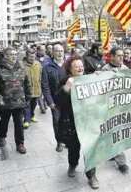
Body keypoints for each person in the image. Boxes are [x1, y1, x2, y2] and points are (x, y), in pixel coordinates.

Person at [55, 55, 99, 189]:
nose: (80, 68)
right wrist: (66, 89)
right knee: (73, 149)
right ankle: (72, 165)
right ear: (70, 69)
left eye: (81, 66)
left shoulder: (90, 79)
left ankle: (91, 175)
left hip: (88, 122)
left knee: (90, 149)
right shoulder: (65, 81)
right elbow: (58, 102)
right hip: (72, 123)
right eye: (76, 66)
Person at [0, 46, 32, 154]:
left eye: (15, 54)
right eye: (11, 54)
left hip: (19, 102)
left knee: (18, 123)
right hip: (4, 103)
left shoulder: (21, 67)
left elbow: (27, 83)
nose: (14, 56)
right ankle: (2, 136)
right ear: (5, 56)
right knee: (4, 121)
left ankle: (20, 144)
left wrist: (28, 96)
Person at [101, 47, 130, 173]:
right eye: (118, 55)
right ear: (111, 56)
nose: (121, 58)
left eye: (122, 56)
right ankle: (122, 162)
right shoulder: (104, 70)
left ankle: (112, 152)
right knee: (115, 131)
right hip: (110, 106)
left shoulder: (125, 69)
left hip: (122, 106)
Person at [42, 44, 66, 152]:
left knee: (68, 121)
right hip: (55, 101)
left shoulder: (68, 66)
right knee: (57, 121)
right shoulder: (47, 68)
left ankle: (67, 140)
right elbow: (45, 86)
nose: (60, 53)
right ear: (53, 53)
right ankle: (59, 142)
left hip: (69, 100)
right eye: (57, 51)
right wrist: (49, 101)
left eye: (61, 51)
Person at [22, 49, 42, 129]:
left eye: (33, 57)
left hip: (36, 88)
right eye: (30, 57)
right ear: (26, 56)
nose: (32, 58)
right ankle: (26, 120)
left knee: (34, 104)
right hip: (26, 89)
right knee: (26, 104)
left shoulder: (38, 64)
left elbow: (40, 75)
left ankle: (32, 115)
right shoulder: (21, 65)